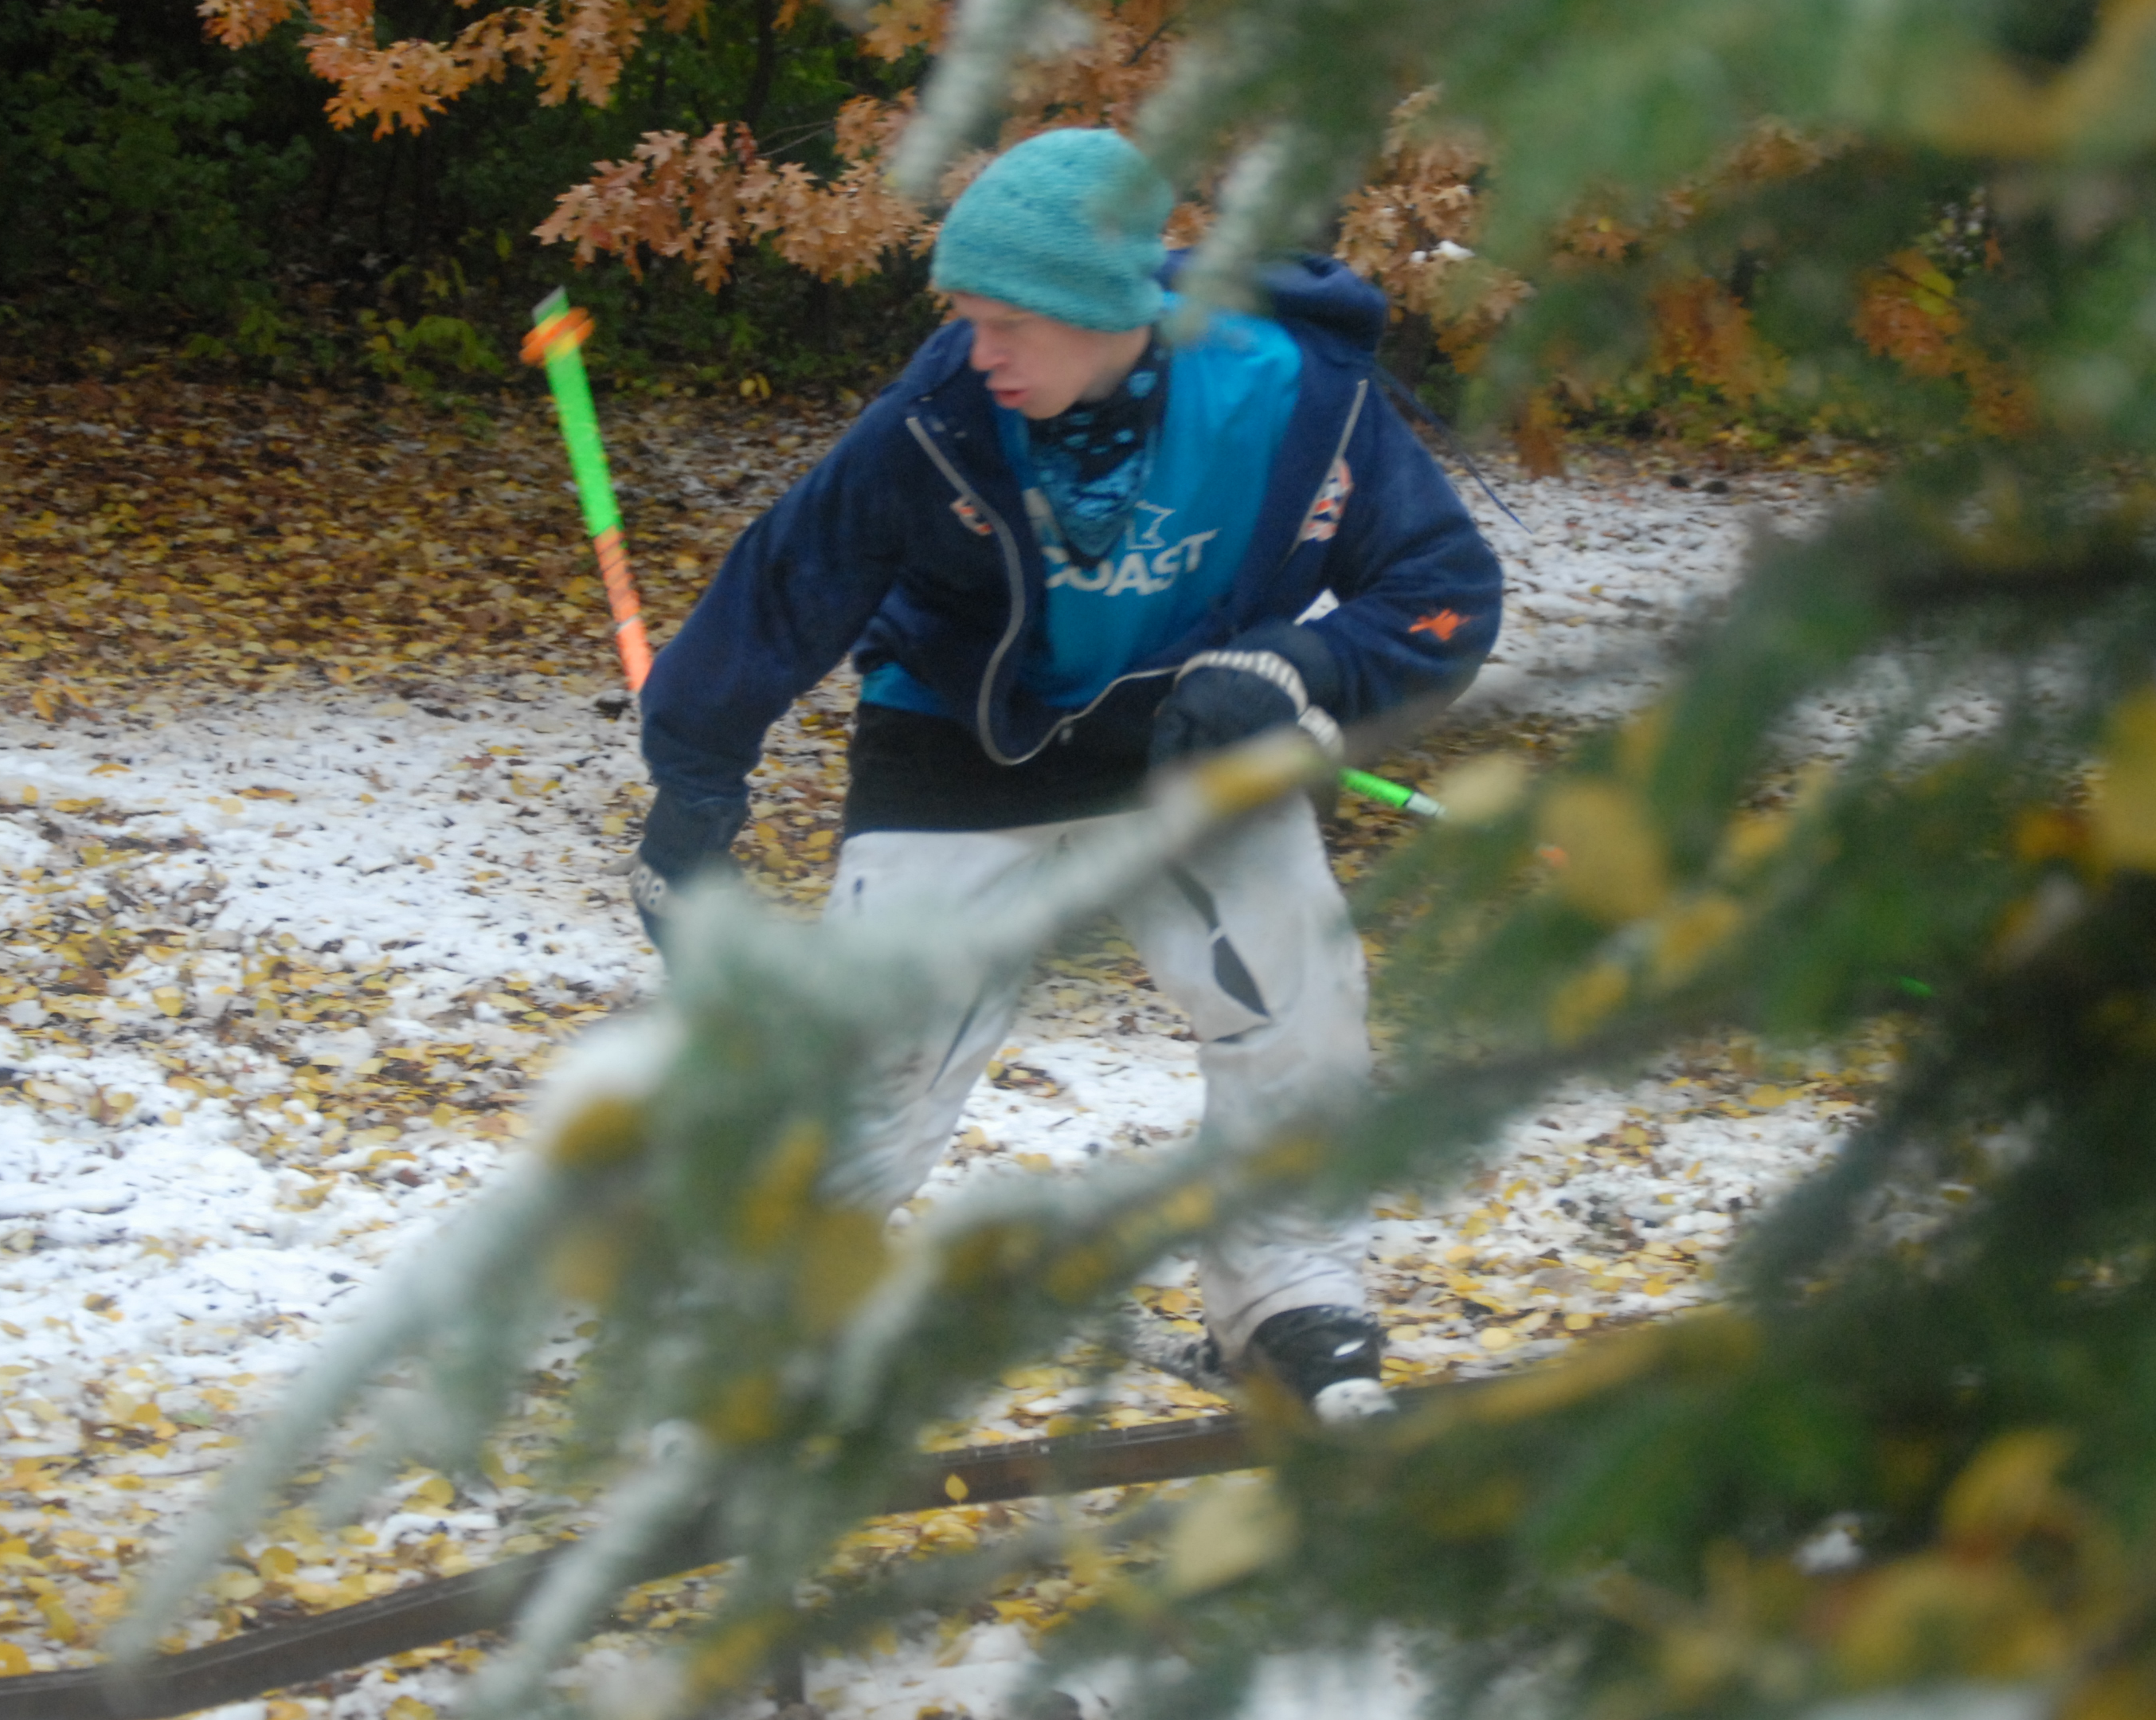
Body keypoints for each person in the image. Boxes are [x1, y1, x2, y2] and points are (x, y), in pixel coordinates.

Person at [630, 127, 1503, 1420]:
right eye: (966, 321)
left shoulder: (1291, 396)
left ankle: (1288, 1295)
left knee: (1298, 1002)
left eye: (1007, 326)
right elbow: (787, 582)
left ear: (1112, 312)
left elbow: (1441, 595)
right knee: (885, 1052)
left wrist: (1292, 670)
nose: (979, 353)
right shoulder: (941, 413)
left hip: (1190, 744)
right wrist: (695, 779)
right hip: (956, 745)